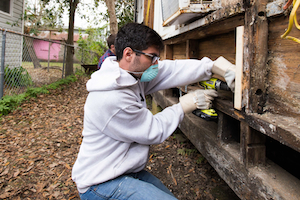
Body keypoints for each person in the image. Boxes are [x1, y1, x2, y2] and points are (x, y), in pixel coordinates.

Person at [72, 22, 236, 200]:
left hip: (121, 169)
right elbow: (152, 130)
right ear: (128, 54)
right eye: (152, 57)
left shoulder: (131, 75)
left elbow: (171, 70)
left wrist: (211, 67)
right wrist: (184, 105)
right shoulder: (113, 97)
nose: (156, 64)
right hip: (101, 182)